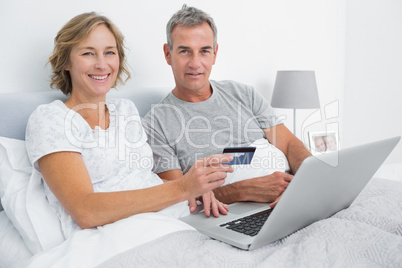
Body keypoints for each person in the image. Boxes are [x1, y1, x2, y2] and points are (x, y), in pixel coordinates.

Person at [25, 12, 233, 238]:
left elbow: (141, 179)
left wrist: (195, 190)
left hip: (172, 218)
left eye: (110, 53)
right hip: (118, 235)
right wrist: (182, 189)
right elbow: (85, 210)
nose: (102, 64)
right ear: (66, 61)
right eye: (88, 53)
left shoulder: (125, 111)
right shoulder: (51, 119)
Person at [142, 5, 312, 209]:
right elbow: (178, 196)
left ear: (214, 53)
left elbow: (289, 144)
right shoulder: (155, 124)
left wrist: (307, 184)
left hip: (292, 198)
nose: (195, 63)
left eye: (204, 51)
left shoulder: (244, 94)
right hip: (234, 214)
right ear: (168, 54)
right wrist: (244, 190)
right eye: (185, 51)